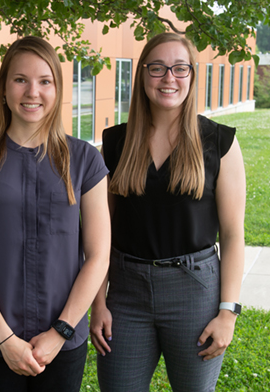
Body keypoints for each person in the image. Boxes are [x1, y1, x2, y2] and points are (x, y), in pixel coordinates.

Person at [0, 36, 111, 392]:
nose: (32, 92)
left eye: (44, 81)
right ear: (4, 88)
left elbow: (98, 256)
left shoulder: (85, 159)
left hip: (63, 340)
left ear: (57, 89)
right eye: (20, 79)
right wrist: (5, 339)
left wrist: (60, 332)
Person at [90, 32, 246, 392]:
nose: (169, 78)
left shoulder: (220, 142)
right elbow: (101, 235)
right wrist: (98, 304)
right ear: (142, 74)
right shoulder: (115, 143)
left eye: (180, 68)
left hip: (195, 292)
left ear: (193, 75)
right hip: (126, 294)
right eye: (157, 68)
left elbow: (234, 233)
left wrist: (228, 312)